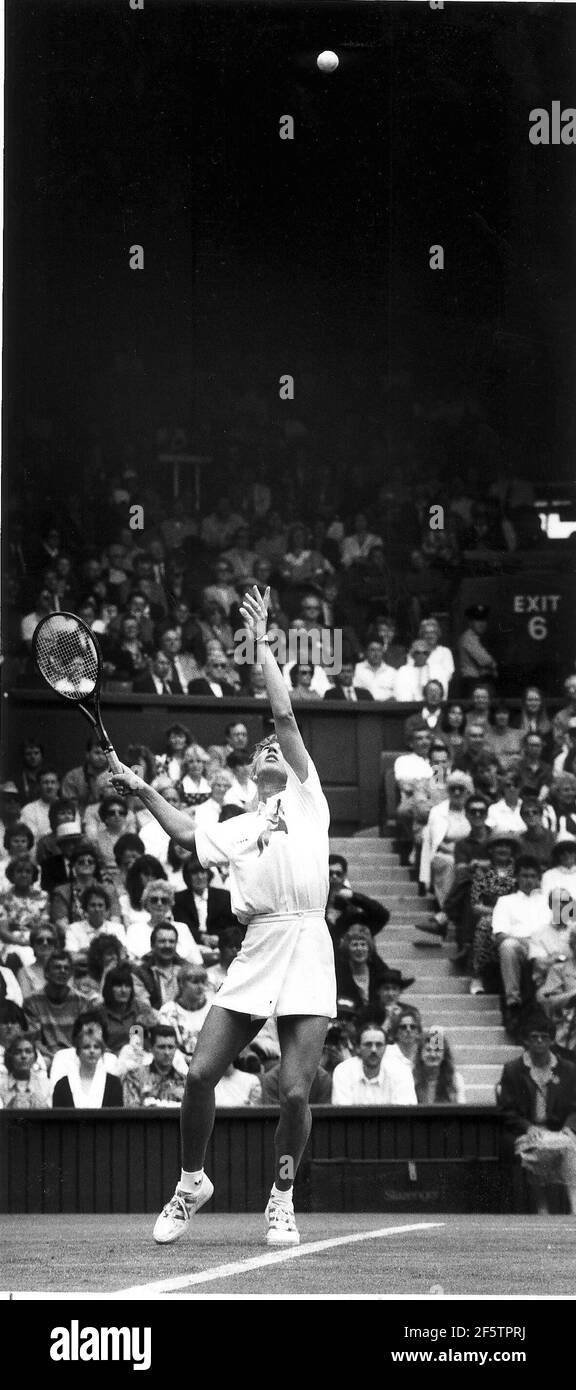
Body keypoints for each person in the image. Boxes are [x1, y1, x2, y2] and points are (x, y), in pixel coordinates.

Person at [110, 583, 336, 1248]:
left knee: (294, 1091)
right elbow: (184, 834)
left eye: (277, 745)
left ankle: (282, 1195)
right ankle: (191, 1183)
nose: (272, 746)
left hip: (309, 942)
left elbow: (285, 718)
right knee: (201, 1072)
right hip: (261, 945)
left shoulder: (309, 797)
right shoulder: (238, 825)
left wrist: (262, 643)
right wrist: (146, 787)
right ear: (250, 770)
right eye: (263, 749)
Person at [497, 1009, 576, 1214]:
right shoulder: (513, 1069)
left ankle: (574, 1205)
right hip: (525, 1133)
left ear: (552, 1040)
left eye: (544, 1037)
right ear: (526, 1040)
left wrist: (569, 1126)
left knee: (570, 1147)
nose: (539, 1041)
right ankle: (542, 1210)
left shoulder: (568, 1070)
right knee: (538, 1147)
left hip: (558, 1131)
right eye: (534, 1037)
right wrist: (528, 1127)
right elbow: (507, 1111)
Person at [492, 856, 549, 1037]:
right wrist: (527, 942)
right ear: (517, 877)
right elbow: (499, 934)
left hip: (546, 947)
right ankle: (513, 1004)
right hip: (519, 945)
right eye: (524, 875)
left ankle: (544, 1005)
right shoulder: (505, 901)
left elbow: (567, 927)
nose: (528, 880)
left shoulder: (551, 899)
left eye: (533, 876)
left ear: (539, 878)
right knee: (508, 946)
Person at [23, 951, 100, 1063]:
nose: (62, 971)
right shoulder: (32, 1001)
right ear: (47, 973)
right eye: (57, 967)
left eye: (66, 968)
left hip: (75, 1055)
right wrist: (55, 1059)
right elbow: (35, 1041)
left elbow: (85, 1037)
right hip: (46, 1056)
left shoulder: (81, 1001)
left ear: (70, 974)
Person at [331, 1023, 417, 1105]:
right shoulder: (344, 1071)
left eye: (379, 1045)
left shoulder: (401, 1072)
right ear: (358, 1048)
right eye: (368, 1044)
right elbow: (343, 1115)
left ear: (386, 1048)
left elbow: (405, 1115)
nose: (374, 1050)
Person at [51, 1022, 124, 1108]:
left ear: (102, 1052)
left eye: (96, 1047)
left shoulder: (113, 1084)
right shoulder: (62, 1085)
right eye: (86, 1047)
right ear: (78, 1052)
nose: (92, 1051)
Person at [123, 1024, 187, 1107]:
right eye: (161, 1047)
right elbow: (131, 1111)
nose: (167, 1052)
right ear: (151, 1048)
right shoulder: (134, 1077)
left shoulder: (185, 1082)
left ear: (176, 1049)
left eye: (170, 1047)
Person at [537, 926, 576, 1060]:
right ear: (572, 945)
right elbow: (548, 1000)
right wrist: (573, 994)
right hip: (568, 1029)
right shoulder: (559, 970)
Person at [335, 923, 391, 1014]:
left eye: (363, 944)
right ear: (347, 949)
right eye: (355, 945)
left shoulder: (377, 970)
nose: (359, 949)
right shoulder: (340, 973)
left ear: (369, 949)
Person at [413, 1026, 466, 1103]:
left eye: (437, 1050)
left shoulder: (455, 1079)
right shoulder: (412, 1078)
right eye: (428, 1050)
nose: (433, 1055)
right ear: (420, 1054)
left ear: (444, 1054)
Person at [0, 1035, 51, 1108]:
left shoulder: (46, 1085)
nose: (23, 1056)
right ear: (10, 1057)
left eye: (28, 1051)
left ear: (35, 1058)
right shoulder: (1, 1085)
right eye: (17, 1052)